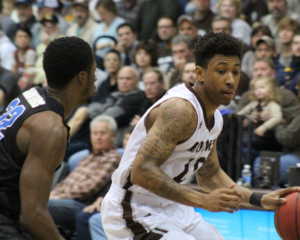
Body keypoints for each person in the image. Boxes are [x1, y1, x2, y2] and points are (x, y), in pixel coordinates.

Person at [100, 31, 300, 240]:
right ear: (200, 73)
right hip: (132, 205)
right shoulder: (181, 109)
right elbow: (141, 172)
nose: (231, 80)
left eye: (236, 71)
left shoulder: (216, 118)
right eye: (221, 71)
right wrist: (203, 201)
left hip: (172, 207)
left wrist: (258, 199)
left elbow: (210, 175)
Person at [0, 36, 97, 239]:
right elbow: (32, 214)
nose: (96, 78)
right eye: (93, 72)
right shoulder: (50, 129)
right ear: (82, 77)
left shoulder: (31, 96)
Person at [48, 115, 121, 233]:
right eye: (95, 133)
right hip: (65, 199)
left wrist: (57, 196)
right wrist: (53, 193)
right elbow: (66, 182)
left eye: (103, 133)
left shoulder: (112, 158)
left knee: (37, 207)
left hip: (80, 204)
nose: (98, 137)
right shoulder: (88, 156)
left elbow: (88, 188)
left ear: (112, 137)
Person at [237, 76, 283, 153]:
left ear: (271, 89)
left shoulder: (272, 105)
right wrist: (249, 116)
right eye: (256, 89)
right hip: (255, 135)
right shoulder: (254, 103)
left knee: (244, 142)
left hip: (268, 138)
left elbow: (277, 118)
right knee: (240, 141)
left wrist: (263, 128)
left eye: (262, 87)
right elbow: (240, 113)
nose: (258, 91)